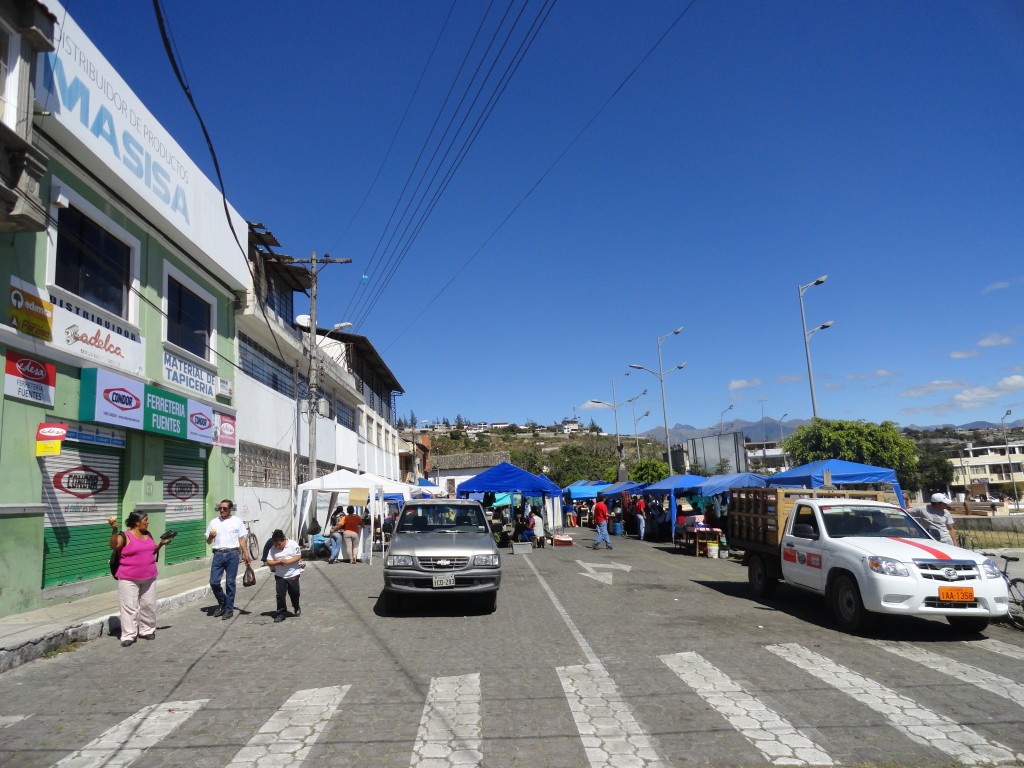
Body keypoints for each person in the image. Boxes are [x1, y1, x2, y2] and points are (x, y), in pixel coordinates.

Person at [109, 511, 173, 647]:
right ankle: (129, 635)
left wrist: (161, 544)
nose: (148, 522)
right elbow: (114, 546)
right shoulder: (124, 535)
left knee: (148, 605)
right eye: (145, 520)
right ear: (136, 522)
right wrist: (114, 530)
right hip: (128, 578)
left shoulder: (147, 534)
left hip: (149, 576)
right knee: (129, 607)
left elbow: (151, 551)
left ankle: (147, 630)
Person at [205, 499, 251, 620]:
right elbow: (208, 541)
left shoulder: (237, 521)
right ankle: (223, 602)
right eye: (220, 508)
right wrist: (210, 536)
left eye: (225, 508)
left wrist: (246, 553)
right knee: (214, 582)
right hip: (218, 554)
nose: (222, 510)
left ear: (230, 509)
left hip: (232, 554)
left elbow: (242, 540)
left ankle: (229, 609)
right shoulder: (214, 522)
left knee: (230, 583)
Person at [265, 529, 302, 622]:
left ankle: (296, 606)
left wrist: (287, 561)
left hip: (293, 573)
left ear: (284, 540)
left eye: (279, 544)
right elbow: (268, 561)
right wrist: (277, 562)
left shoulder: (293, 544)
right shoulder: (272, 549)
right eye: (275, 545)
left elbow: (298, 556)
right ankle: (281, 613)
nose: (277, 546)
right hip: (280, 575)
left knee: (294, 593)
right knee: (280, 595)